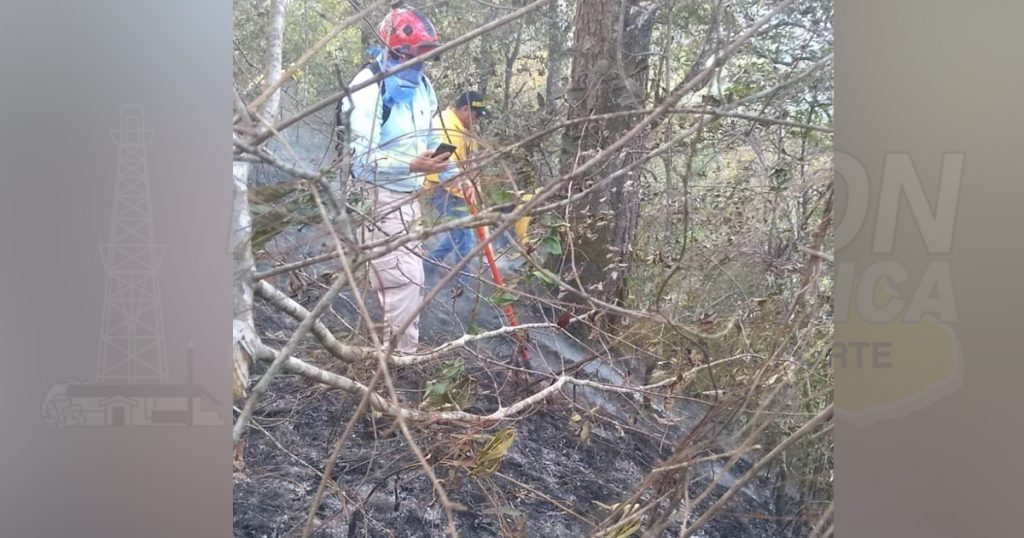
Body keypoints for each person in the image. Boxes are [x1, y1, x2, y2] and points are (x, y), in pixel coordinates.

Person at [339, 5, 456, 354]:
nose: (425, 60)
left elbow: (433, 135)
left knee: (401, 277)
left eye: (428, 53)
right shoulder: (368, 87)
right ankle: (400, 360)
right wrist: (410, 165)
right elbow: (361, 157)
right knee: (405, 281)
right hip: (375, 194)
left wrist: (454, 174)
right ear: (399, 48)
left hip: (408, 196)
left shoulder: (422, 85)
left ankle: (386, 347)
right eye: (420, 52)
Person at [423, 91, 491, 279]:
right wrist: (462, 187)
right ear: (465, 109)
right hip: (444, 190)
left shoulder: (461, 127)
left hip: (459, 191)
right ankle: (464, 282)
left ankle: (428, 265)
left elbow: (470, 162)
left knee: (456, 233)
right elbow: (441, 164)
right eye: (476, 115)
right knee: (466, 236)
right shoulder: (444, 126)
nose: (477, 120)